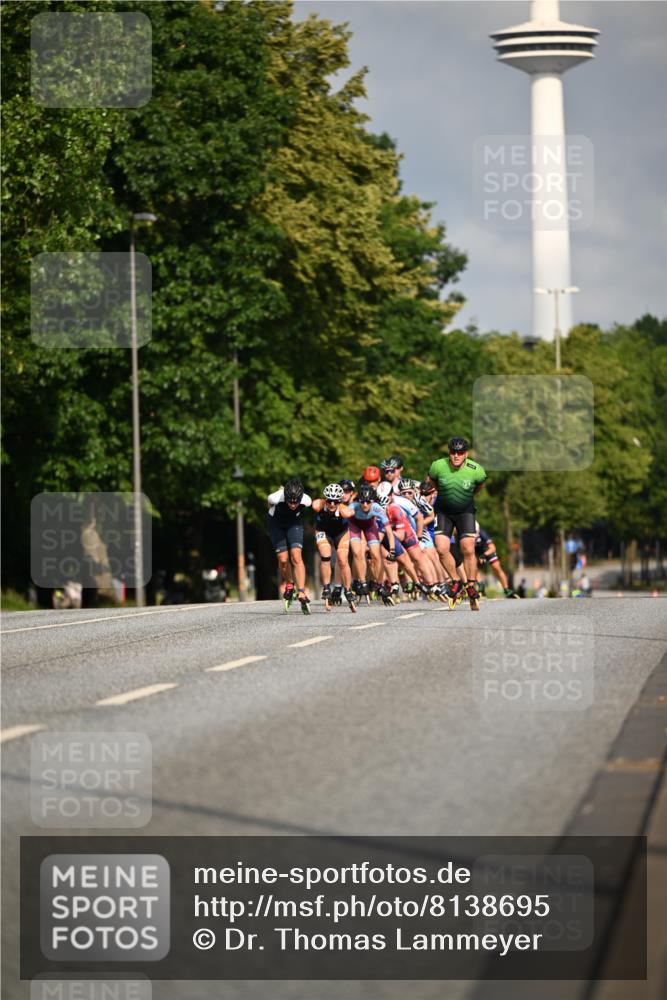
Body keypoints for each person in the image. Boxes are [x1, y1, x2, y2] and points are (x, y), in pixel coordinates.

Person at [428, 437, 487, 610]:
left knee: (468, 548)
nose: (456, 456)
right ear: (449, 453)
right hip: (444, 512)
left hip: (465, 512)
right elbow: (432, 481)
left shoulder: (475, 469)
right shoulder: (438, 466)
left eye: (460, 453)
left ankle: (471, 585)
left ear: (465, 454)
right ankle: (455, 580)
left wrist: (466, 496)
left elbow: (480, 486)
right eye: (453, 452)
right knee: (441, 548)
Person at [266, 478, 312, 613]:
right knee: (283, 559)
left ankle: (302, 591)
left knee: (296, 557)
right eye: (290, 501)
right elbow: (269, 503)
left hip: (293, 523)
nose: (293, 504)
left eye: (296, 501)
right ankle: (289, 584)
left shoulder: (306, 500)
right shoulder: (275, 498)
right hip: (276, 524)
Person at [311, 483, 357, 611]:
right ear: (325, 500)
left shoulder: (344, 510)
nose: (332, 505)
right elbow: (313, 503)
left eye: (335, 502)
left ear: (340, 501)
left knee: (342, 560)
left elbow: (351, 512)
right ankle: (326, 587)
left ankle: (348, 589)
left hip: (340, 533)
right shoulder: (319, 505)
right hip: (323, 531)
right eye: (329, 501)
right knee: (325, 556)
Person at [348, 482, 396, 603]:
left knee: (376, 555)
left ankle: (379, 585)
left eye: (368, 502)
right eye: (362, 501)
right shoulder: (353, 507)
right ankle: (362, 582)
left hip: (369, 526)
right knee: (358, 553)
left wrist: (392, 550)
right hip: (354, 526)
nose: (365, 505)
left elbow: (389, 532)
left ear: (373, 501)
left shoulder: (377, 508)